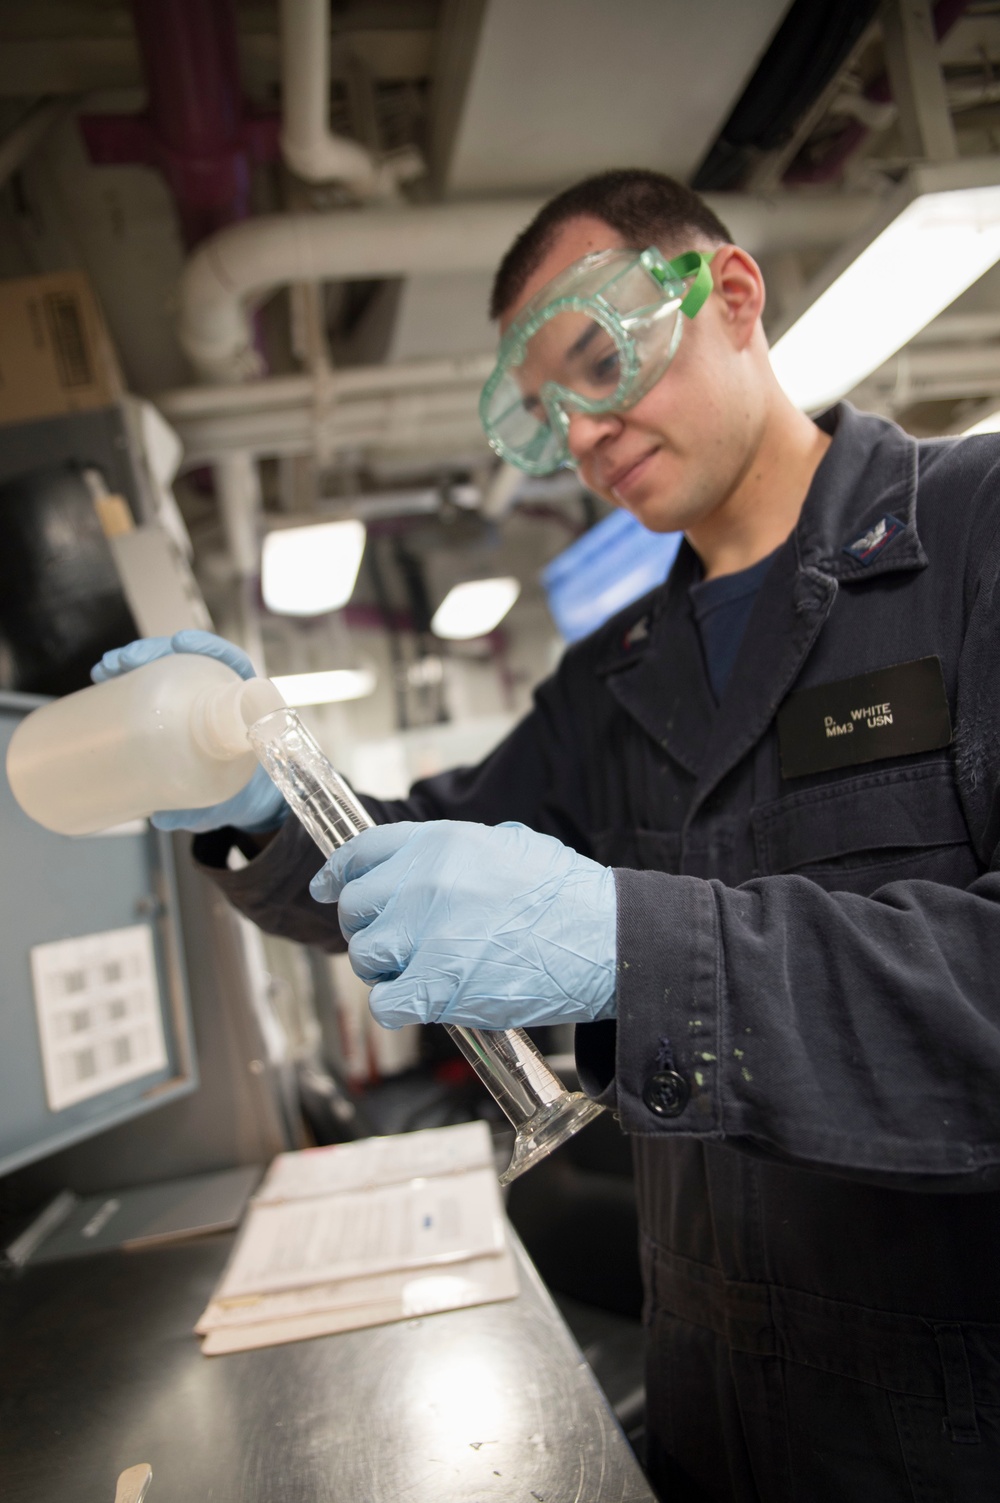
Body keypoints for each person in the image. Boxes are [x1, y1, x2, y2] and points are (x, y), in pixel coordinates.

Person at [96, 170, 1000, 1502]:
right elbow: (405, 860)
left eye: (600, 360)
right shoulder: (619, 672)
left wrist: (636, 948)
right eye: (546, 411)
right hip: (712, 1395)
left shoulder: (972, 530)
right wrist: (263, 807)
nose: (580, 430)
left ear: (733, 295)